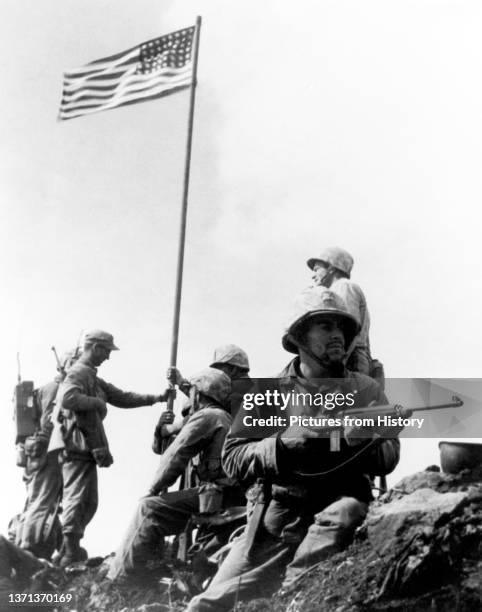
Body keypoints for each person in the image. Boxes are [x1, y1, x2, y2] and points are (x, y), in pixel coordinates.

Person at [187, 287, 402, 611]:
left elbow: (390, 456)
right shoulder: (268, 393)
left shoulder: (365, 389)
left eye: (342, 328)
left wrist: (364, 442)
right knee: (203, 607)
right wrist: (282, 445)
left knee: (297, 592)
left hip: (339, 512)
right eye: (326, 326)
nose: (338, 336)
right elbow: (232, 458)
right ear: (300, 336)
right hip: (276, 522)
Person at [107, 368, 244, 583]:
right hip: (227, 495)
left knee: (149, 509)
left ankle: (121, 578)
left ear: (197, 395)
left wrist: (152, 490)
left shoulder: (208, 416)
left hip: (218, 496)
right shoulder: (224, 417)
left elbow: (176, 454)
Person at [50, 330, 171, 567]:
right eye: (106, 350)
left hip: (85, 447)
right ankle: (70, 552)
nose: (108, 356)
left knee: (88, 501)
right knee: (78, 499)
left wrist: (156, 397)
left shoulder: (92, 377)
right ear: (94, 347)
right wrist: (96, 402)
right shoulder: (78, 373)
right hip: (77, 445)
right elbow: (68, 399)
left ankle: (68, 550)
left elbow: (121, 397)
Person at [16, 349, 80, 559]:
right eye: (75, 363)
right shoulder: (55, 390)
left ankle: (35, 545)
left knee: (41, 500)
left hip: (38, 452)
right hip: (45, 451)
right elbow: (47, 424)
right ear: (66, 365)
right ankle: (29, 550)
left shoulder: (48, 388)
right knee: (43, 501)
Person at [307, 246, 371, 375]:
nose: (313, 276)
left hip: (350, 359)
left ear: (330, 268)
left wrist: (337, 367)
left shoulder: (343, 286)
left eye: (316, 269)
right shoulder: (339, 288)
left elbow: (348, 330)